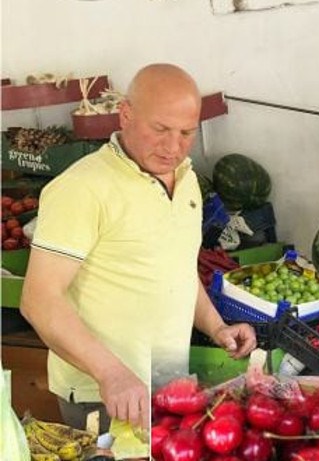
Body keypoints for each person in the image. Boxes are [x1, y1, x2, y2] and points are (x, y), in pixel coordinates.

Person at [20, 64, 257, 431]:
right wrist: (111, 373)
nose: (172, 147)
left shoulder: (187, 180)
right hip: (102, 393)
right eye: (160, 129)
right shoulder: (82, 187)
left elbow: (175, 269)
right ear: (126, 114)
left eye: (186, 133)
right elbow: (39, 300)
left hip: (167, 383)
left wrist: (216, 327)